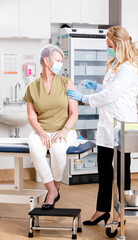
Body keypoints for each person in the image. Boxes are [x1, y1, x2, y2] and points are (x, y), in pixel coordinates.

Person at [67, 26, 138, 225]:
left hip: (121, 125)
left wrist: (84, 97)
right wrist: (97, 87)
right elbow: (109, 90)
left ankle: (121, 213)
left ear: (119, 44)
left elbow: (111, 95)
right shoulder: (116, 64)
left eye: (109, 45)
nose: (107, 49)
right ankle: (102, 210)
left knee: (122, 172)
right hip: (107, 125)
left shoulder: (128, 67)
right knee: (104, 170)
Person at [24, 44, 78, 210]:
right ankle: (52, 191)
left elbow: (74, 112)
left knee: (58, 150)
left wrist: (64, 130)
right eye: (58, 60)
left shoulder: (66, 83)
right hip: (42, 131)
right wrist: (41, 133)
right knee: (35, 150)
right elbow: (32, 116)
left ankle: (55, 188)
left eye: (61, 61)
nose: (60, 64)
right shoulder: (32, 87)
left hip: (65, 130)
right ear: (46, 61)